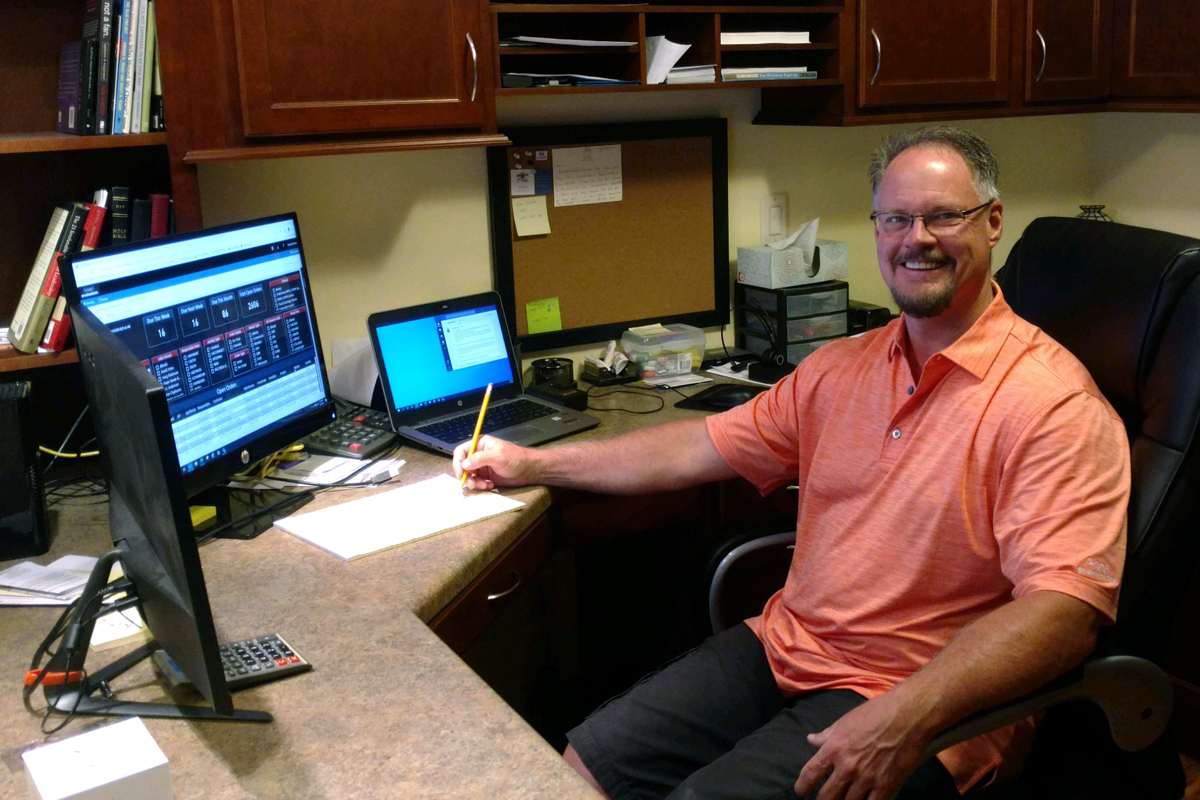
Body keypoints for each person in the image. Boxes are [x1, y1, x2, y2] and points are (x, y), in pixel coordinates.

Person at [454, 126, 1130, 800]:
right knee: (580, 767)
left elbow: (1063, 614)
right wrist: (529, 462)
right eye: (895, 218)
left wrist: (905, 718)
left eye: (943, 215)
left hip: (916, 696)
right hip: (787, 646)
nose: (916, 238)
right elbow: (696, 445)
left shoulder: (1053, 405)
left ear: (992, 223)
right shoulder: (841, 368)